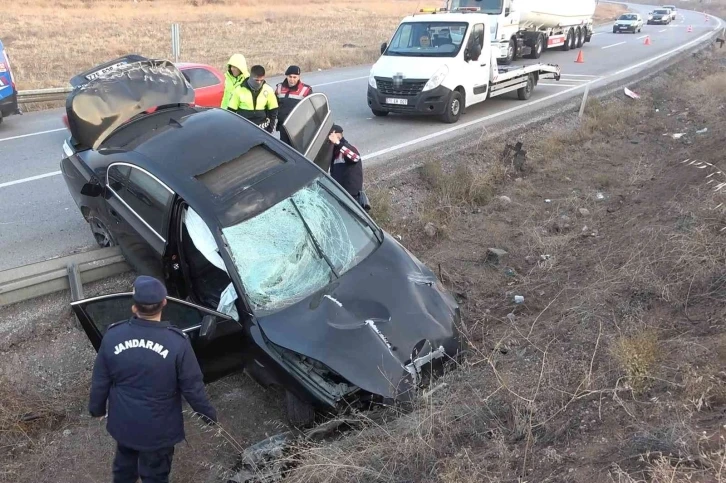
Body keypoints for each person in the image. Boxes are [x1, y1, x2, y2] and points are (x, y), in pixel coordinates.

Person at [88, 275, 218, 483]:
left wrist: (97, 409)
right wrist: (207, 415)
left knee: (123, 468)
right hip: (159, 431)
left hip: (125, 423)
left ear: (134, 307)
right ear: (164, 303)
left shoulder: (113, 335)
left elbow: (101, 379)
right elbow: (193, 387)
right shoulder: (178, 343)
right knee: (155, 475)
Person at [226, 65, 279, 133]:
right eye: (256, 80)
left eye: (261, 80)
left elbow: (273, 110)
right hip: (243, 129)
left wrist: (270, 129)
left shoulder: (268, 90)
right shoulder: (239, 90)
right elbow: (231, 112)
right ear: (250, 77)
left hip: (262, 128)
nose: (259, 83)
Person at [328, 124, 369, 210]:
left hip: (352, 197)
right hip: (340, 195)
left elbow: (355, 157)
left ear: (336, 135)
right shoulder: (333, 153)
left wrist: (338, 143)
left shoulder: (347, 148)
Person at [275, 65, 314, 145]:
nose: (292, 79)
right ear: (286, 76)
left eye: (294, 77)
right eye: (290, 76)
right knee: (284, 148)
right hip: (283, 124)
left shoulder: (306, 90)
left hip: (298, 127)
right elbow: (274, 105)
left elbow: (311, 109)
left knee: (297, 150)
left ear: (299, 77)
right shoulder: (279, 88)